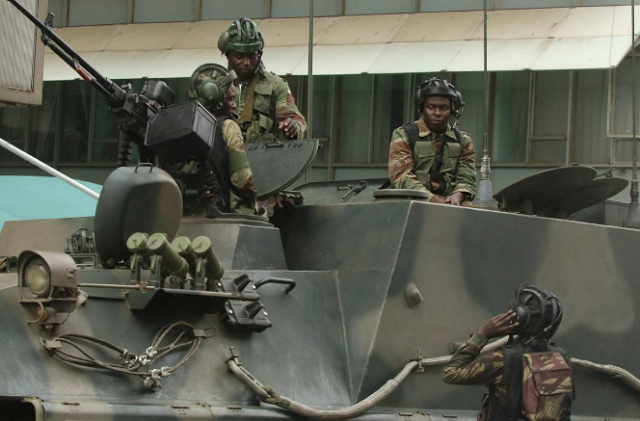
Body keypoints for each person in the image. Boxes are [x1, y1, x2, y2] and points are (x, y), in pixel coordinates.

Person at [442, 284, 574, 421]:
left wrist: (483, 335)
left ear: (519, 317)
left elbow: (450, 373)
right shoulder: (562, 357)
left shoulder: (503, 360)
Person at [171, 64, 258, 216]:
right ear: (215, 100)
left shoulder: (176, 126)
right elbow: (242, 181)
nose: (234, 105)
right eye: (230, 99)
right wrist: (254, 200)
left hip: (177, 215)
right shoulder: (227, 127)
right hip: (216, 218)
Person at [216, 17, 307, 143]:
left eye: (252, 56)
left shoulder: (275, 85)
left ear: (259, 55)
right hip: (222, 156)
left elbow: (296, 119)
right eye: (239, 56)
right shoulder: (214, 87)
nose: (246, 63)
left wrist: (294, 127)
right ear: (227, 55)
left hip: (262, 156)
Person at [388, 78, 477, 205]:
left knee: (468, 206)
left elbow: (467, 178)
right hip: (412, 201)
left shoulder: (462, 140)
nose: (437, 113)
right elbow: (402, 177)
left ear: (452, 110)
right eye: (431, 107)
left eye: (443, 108)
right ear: (422, 108)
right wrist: (433, 200)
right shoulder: (404, 135)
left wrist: (458, 195)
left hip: (450, 203)